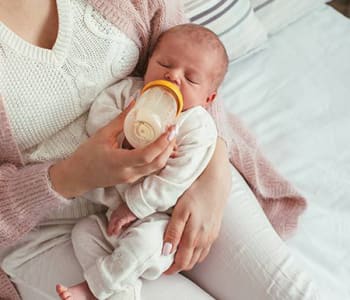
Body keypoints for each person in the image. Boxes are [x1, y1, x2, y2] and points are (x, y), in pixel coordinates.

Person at [0, 1, 321, 299]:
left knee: (287, 291)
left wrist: (215, 172)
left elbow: (200, 63)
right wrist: (69, 176)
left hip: (182, 172)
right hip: (50, 228)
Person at [55, 23, 227, 300]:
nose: (173, 76)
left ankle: (93, 287)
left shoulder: (197, 126)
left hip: (161, 220)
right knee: (83, 232)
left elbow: (175, 179)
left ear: (208, 98)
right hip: (111, 215)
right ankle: (122, 289)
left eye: (191, 78)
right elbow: (97, 119)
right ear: (148, 65)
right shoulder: (128, 93)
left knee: (143, 243)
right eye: (165, 64)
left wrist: (135, 207)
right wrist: (123, 135)